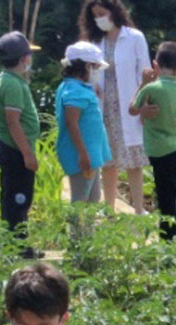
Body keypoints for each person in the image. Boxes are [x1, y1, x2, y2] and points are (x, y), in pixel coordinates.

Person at [80, 0, 152, 213]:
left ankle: (139, 209)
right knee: (108, 162)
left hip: (130, 105)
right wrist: (92, 85)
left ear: (113, 12)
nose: (99, 19)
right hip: (104, 108)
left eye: (102, 13)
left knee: (133, 161)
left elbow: (145, 72)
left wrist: (144, 105)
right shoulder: (95, 41)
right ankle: (109, 209)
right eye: (95, 16)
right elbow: (87, 72)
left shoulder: (134, 38)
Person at [130, 41, 176, 240]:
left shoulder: (151, 89)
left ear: (155, 65)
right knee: (169, 198)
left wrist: (143, 83)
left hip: (160, 152)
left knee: (164, 201)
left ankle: (169, 241)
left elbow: (132, 109)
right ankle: (171, 238)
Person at [0, 31, 41, 254]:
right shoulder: (11, 84)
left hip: (12, 149)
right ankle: (17, 248)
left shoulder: (8, 80)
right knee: (18, 199)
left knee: (15, 198)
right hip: (15, 151)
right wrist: (27, 154)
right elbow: (14, 123)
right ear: (23, 59)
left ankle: (16, 244)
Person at [55, 41, 112, 205]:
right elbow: (71, 122)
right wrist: (82, 153)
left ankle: (86, 230)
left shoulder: (78, 87)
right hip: (82, 156)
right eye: (95, 67)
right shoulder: (74, 90)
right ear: (86, 66)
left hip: (90, 154)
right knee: (80, 201)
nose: (96, 72)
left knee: (93, 198)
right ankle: (78, 231)